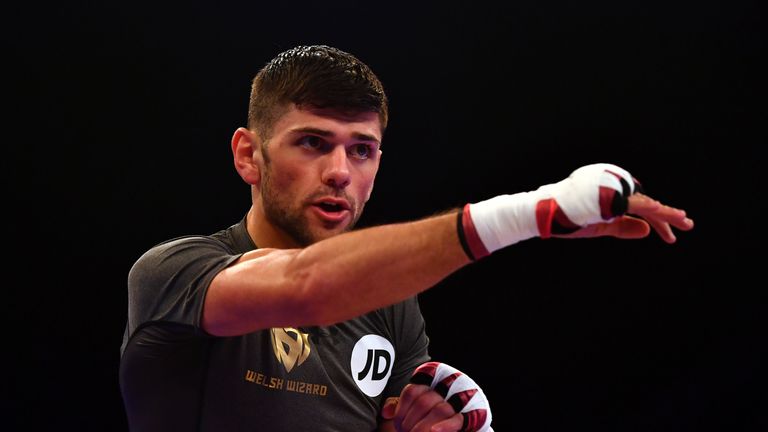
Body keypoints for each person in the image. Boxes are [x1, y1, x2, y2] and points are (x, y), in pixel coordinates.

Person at [119, 45, 694, 432]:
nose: (341, 171)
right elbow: (304, 286)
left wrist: (445, 421)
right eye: (313, 142)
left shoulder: (391, 307)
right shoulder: (173, 272)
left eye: (361, 149)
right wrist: (533, 213)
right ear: (249, 155)